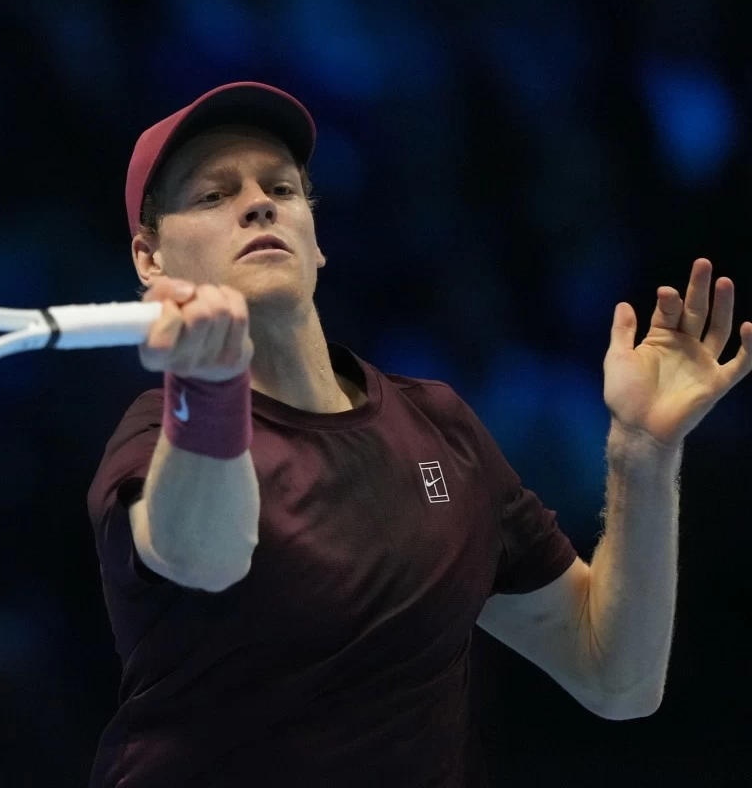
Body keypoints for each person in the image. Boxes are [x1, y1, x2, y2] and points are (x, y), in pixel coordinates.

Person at [85, 82, 751, 787]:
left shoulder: (439, 428)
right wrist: (211, 386)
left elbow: (617, 678)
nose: (259, 203)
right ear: (150, 260)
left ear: (316, 243)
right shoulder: (161, 438)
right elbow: (204, 557)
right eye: (214, 196)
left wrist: (643, 454)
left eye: (281, 187)